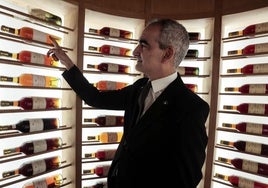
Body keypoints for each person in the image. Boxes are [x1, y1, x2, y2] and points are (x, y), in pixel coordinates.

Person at [48, 18, 210, 188]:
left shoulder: (191, 108)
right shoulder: (140, 88)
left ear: (167, 53)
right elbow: (96, 98)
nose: (134, 51)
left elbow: (185, 180)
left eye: (144, 45)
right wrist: (67, 62)